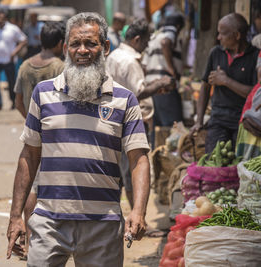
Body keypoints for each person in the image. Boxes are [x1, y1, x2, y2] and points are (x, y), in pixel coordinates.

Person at [6, 12, 150, 266]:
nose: (82, 50)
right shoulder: (43, 94)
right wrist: (16, 215)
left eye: (90, 43)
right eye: (75, 44)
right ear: (65, 48)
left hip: (103, 226)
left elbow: (139, 159)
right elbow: (29, 156)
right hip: (49, 221)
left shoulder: (124, 99)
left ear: (105, 47)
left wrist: (138, 210)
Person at [106, 18, 175, 237]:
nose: (147, 45)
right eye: (145, 41)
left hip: (115, 121)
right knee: (134, 171)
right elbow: (138, 92)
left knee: (123, 172)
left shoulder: (115, 55)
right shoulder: (129, 60)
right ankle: (137, 220)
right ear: (137, 39)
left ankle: (127, 218)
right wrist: (160, 84)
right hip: (130, 123)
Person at [13, 21, 65, 257]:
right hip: (55, 133)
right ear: (60, 43)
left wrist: (32, 121)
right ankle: (38, 241)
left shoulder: (25, 66)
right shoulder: (60, 66)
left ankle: (30, 238)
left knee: (31, 181)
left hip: (33, 131)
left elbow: (18, 102)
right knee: (44, 185)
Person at [190, 13, 259, 153]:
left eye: (222, 33)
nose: (218, 37)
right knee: (213, 163)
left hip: (242, 122)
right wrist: (199, 121)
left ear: (237, 36)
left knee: (237, 167)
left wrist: (226, 81)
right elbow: (205, 86)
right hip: (218, 120)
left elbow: (255, 93)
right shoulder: (216, 53)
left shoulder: (255, 56)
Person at [142, 12, 185, 147]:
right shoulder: (171, 32)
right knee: (173, 125)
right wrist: (172, 70)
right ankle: (173, 159)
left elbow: (144, 65)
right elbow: (165, 43)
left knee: (157, 126)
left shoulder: (154, 36)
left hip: (152, 87)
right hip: (165, 86)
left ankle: (158, 157)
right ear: (178, 26)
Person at [0, 9, 27, 110]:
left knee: (11, 82)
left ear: (5, 19)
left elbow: (23, 40)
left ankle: (13, 102)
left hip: (9, 60)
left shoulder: (13, 29)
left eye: (2, 18)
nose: (0, 20)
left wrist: (15, 52)